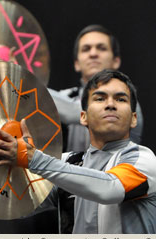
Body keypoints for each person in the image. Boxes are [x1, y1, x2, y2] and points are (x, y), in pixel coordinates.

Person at [0, 69, 156, 233]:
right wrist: (9, 164)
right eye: (100, 98)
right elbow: (13, 203)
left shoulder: (143, 160)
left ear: (134, 119)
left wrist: (33, 159)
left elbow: (110, 188)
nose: (110, 104)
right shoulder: (66, 162)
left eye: (121, 99)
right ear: (83, 117)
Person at [48, 24, 143, 153]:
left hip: (116, 171)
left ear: (116, 61)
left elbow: (71, 111)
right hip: (70, 171)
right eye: (86, 49)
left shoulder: (126, 98)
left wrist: (23, 80)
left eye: (101, 48)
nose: (93, 54)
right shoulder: (65, 97)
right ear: (77, 64)